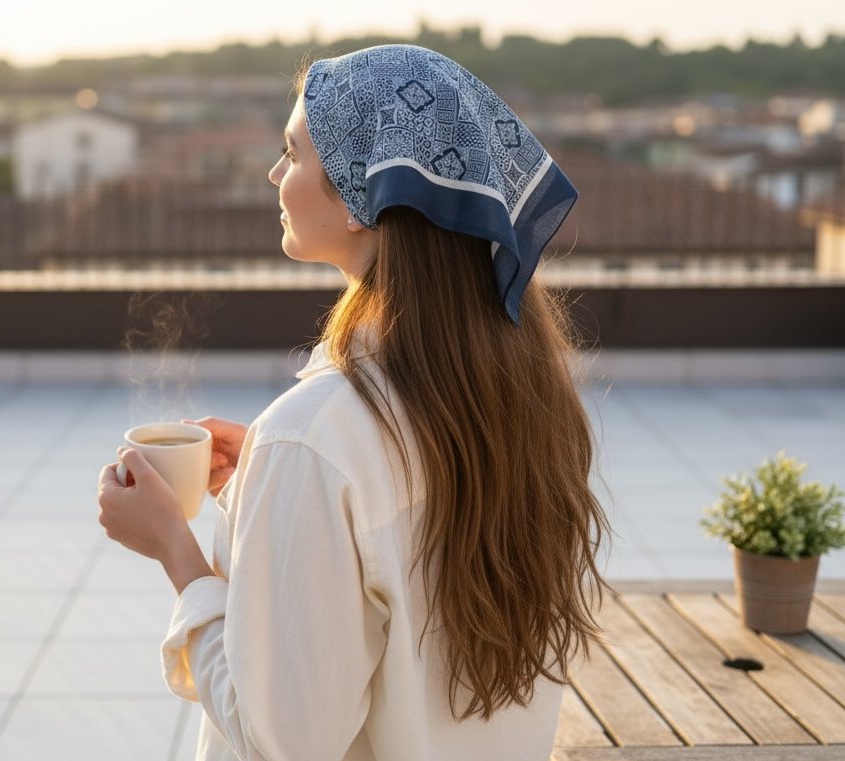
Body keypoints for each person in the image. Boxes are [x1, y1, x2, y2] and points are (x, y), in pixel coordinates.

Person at [98, 44, 610, 761]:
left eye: (292, 151)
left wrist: (175, 550)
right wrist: (264, 487)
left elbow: (283, 742)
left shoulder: (314, 440)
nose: (275, 174)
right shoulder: (519, 390)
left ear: (357, 195)